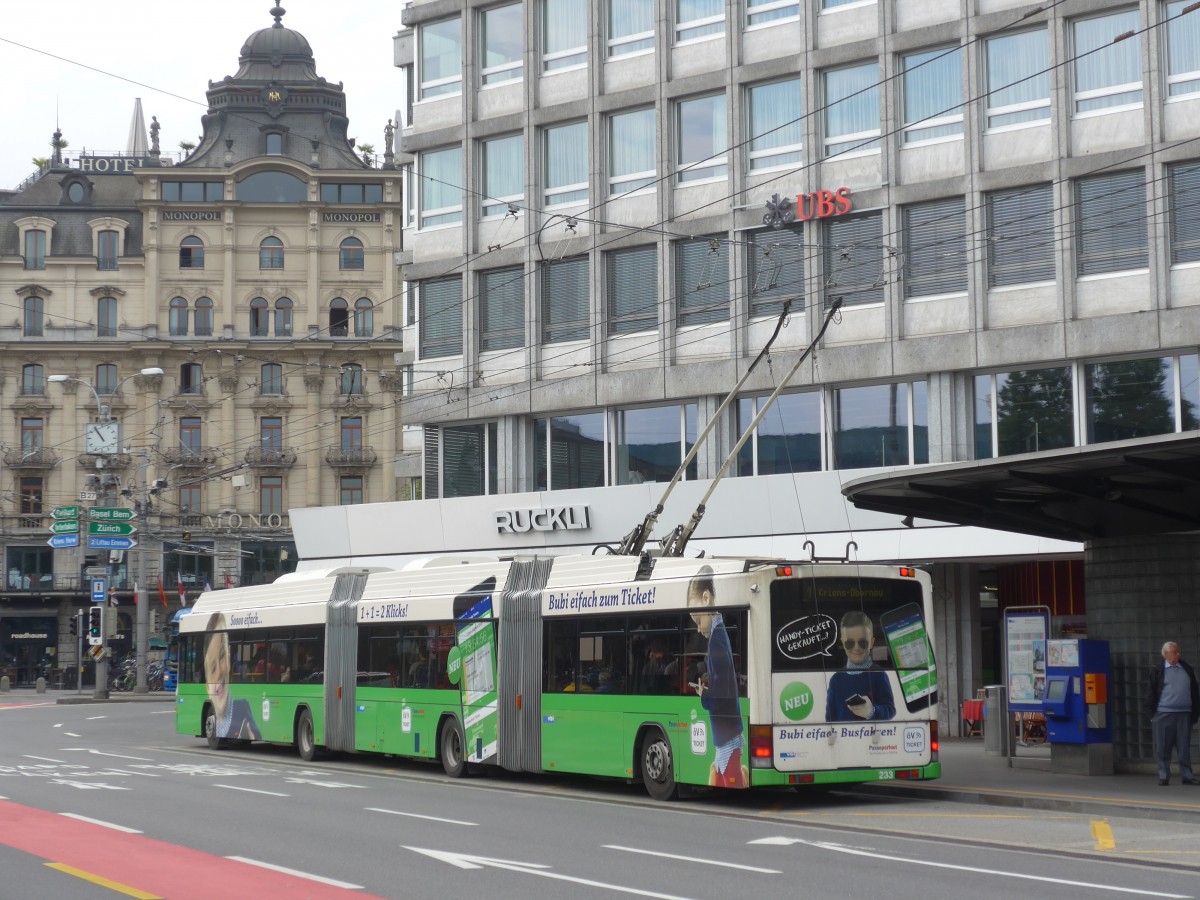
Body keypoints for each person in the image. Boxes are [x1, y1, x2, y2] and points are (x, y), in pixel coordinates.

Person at [688, 566, 747, 788]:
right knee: (721, 775)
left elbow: (721, 694)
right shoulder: (719, 636)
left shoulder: (716, 641)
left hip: (728, 733)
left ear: (706, 599)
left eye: (697, 620)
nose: (697, 629)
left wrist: (704, 694)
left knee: (731, 780)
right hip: (728, 733)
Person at [1145, 641, 1200, 786]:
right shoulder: (1158, 671)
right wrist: (1152, 716)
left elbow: (1194, 689)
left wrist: (1195, 711)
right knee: (1163, 748)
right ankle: (1164, 776)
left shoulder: (1186, 668)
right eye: (1175, 652)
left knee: (1184, 747)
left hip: (1184, 714)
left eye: (1178, 651)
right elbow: (1151, 693)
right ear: (1166, 654)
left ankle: (1187, 776)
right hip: (1164, 714)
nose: (1178, 654)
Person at [826, 611, 896, 722]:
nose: (856, 648)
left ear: (872, 642)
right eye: (850, 643)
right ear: (842, 644)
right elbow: (829, 718)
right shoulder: (836, 679)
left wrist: (872, 711)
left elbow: (890, 710)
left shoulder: (879, 674)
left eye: (863, 642)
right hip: (843, 738)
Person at [204, 612, 262, 741]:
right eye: (213, 668)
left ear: (229, 659)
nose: (219, 672)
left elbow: (257, 735)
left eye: (222, 656)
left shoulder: (244, 710)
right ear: (207, 687)